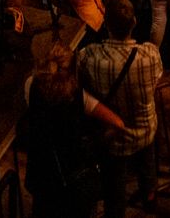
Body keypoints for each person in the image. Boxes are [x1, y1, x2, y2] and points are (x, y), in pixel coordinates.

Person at [77, 0, 164, 216]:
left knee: (114, 185)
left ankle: (116, 207)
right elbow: (155, 82)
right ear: (134, 23)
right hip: (145, 131)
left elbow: (78, 75)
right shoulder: (150, 55)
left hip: (112, 137)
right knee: (148, 154)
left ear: (105, 24)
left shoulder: (90, 57)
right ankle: (150, 195)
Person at [22, 41, 124, 218]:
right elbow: (117, 123)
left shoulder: (31, 85)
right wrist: (95, 144)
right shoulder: (77, 95)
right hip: (74, 182)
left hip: (41, 176)